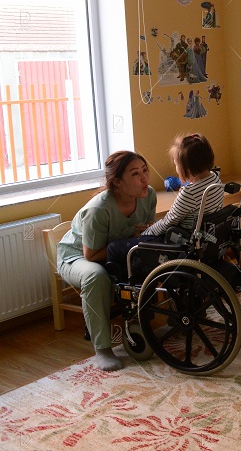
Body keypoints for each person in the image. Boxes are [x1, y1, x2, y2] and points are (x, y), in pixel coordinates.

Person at [57, 151, 157, 371]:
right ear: (117, 182)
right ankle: (102, 348)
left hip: (117, 250)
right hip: (76, 256)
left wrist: (139, 237)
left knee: (149, 259)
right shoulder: (99, 209)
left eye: (145, 170)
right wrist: (131, 239)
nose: (144, 178)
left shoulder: (148, 195)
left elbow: (147, 234)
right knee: (96, 276)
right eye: (135, 174)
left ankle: (145, 323)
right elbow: (91, 255)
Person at [108, 134, 224, 277]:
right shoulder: (215, 179)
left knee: (114, 248)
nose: (176, 169)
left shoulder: (189, 192)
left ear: (186, 167)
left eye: (176, 165)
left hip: (181, 242)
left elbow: (168, 222)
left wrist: (146, 232)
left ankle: (121, 282)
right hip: (206, 239)